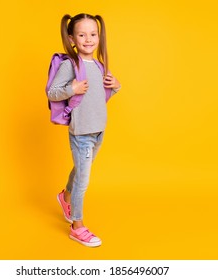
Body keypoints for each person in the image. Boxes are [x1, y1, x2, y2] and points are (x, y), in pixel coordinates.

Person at [47, 13, 121, 247]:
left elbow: (99, 97)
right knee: (83, 180)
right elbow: (52, 92)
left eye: (93, 34)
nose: (88, 39)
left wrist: (116, 87)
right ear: (71, 39)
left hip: (99, 129)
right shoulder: (71, 64)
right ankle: (76, 226)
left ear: (99, 37)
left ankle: (64, 197)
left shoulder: (98, 65)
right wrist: (72, 87)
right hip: (82, 133)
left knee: (80, 170)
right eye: (82, 34)